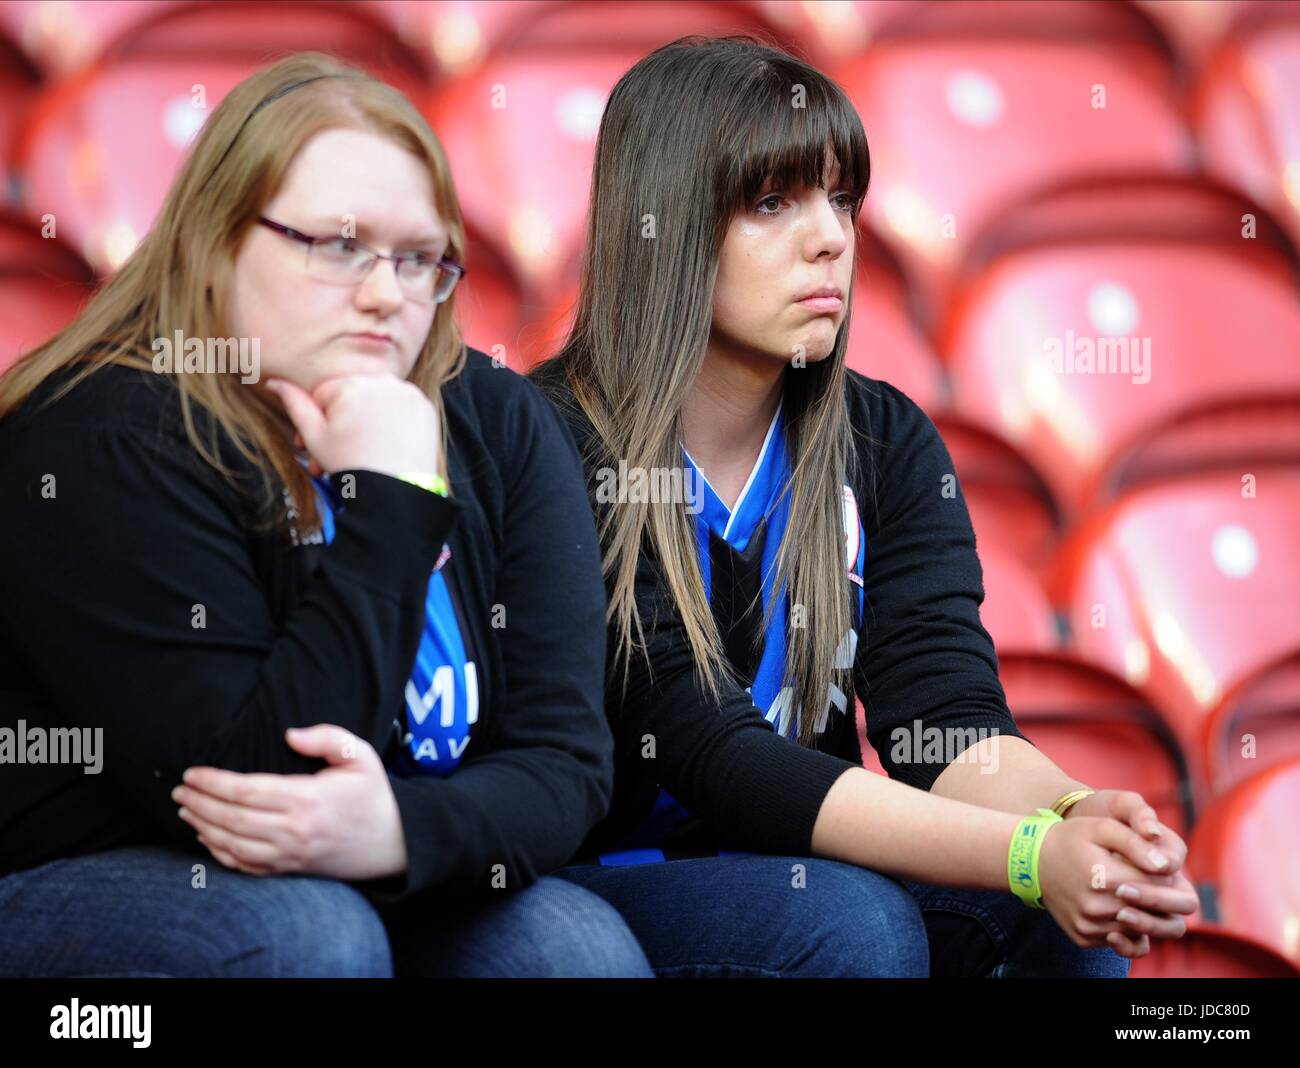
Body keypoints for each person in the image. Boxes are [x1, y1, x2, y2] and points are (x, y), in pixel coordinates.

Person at [530, 35, 1198, 978]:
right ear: (666, 224)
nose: (832, 237)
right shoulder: (549, 445)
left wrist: (1076, 818)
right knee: (854, 925)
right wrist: (1024, 856)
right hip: (598, 888)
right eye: (774, 202)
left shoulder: (886, 441)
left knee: (1050, 924)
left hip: (802, 872)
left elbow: (949, 724)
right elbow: (715, 751)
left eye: (841, 199)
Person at [0, 52, 652, 979]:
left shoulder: (496, 420)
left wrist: (399, 829)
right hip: (95, 884)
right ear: (214, 242)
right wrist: (387, 502)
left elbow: (566, 762)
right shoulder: (101, 433)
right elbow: (256, 792)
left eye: (421, 258)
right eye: (339, 246)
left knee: (567, 948)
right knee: (308, 936)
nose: (387, 293)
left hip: (363, 869)